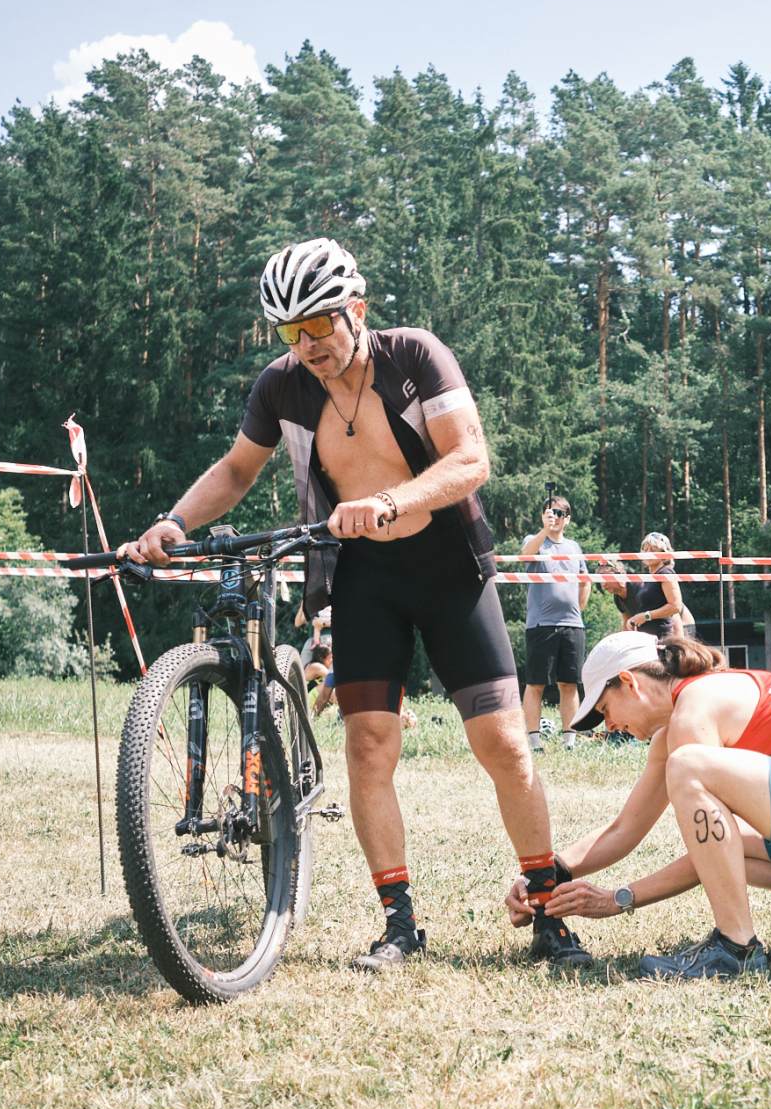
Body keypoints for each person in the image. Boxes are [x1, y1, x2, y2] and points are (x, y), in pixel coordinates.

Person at [118, 237, 590, 973]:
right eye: (290, 332)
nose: (306, 345)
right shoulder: (282, 387)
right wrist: (174, 522)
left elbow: (471, 459)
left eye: (318, 325)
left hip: (449, 568)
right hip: (363, 576)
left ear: (356, 311)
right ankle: (400, 925)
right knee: (368, 746)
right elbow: (238, 469)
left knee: (503, 741)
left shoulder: (415, 356)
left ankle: (548, 914)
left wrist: (392, 500)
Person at [509, 630, 771, 979]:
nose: (610, 725)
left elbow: (709, 851)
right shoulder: (689, 712)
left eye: (605, 709)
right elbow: (625, 828)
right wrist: (547, 874)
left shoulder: (696, 709)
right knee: (726, 834)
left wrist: (619, 898)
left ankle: (736, 947)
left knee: (689, 768)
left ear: (629, 682)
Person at [520, 496, 589, 752]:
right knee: (535, 684)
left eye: (560, 513)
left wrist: (577, 609)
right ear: (543, 516)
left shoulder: (574, 547)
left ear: (567, 519)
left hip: (572, 624)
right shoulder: (535, 540)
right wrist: (544, 530)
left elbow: (585, 579)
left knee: (569, 684)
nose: (555, 517)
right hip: (541, 625)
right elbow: (525, 556)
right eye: (551, 513)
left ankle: (569, 741)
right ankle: (534, 742)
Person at [600, 531, 695, 638]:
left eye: (653, 550)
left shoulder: (664, 573)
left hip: (678, 628)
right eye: (645, 550)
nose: (648, 553)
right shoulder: (649, 578)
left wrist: (678, 641)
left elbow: (675, 608)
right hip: (655, 636)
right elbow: (630, 621)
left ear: (664, 553)